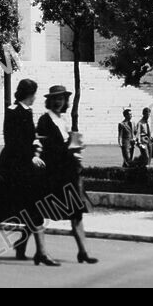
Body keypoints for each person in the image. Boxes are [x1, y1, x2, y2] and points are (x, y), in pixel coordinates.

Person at [0, 79, 52, 265]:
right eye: (34, 93)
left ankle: (27, 247)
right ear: (29, 94)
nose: (35, 97)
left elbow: (28, 137)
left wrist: (37, 145)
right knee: (2, 212)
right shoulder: (13, 111)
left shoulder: (27, 111)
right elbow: (12, 141)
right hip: (12, 170)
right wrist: (30, 156)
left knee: (32, 209)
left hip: (24, 170)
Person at [36, 84, 97, 264]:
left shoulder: (62, 121)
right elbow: (47, 147)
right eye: (55, 99)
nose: (58, 102)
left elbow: (65, 143)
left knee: (77, 213)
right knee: (40, 212)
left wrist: (75, 145)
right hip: (52, 174)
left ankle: (83, 252)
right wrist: (69, 147)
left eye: (61, 99)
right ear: (49, 101)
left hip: (68, 174)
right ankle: (41, 251)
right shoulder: (45, 120)